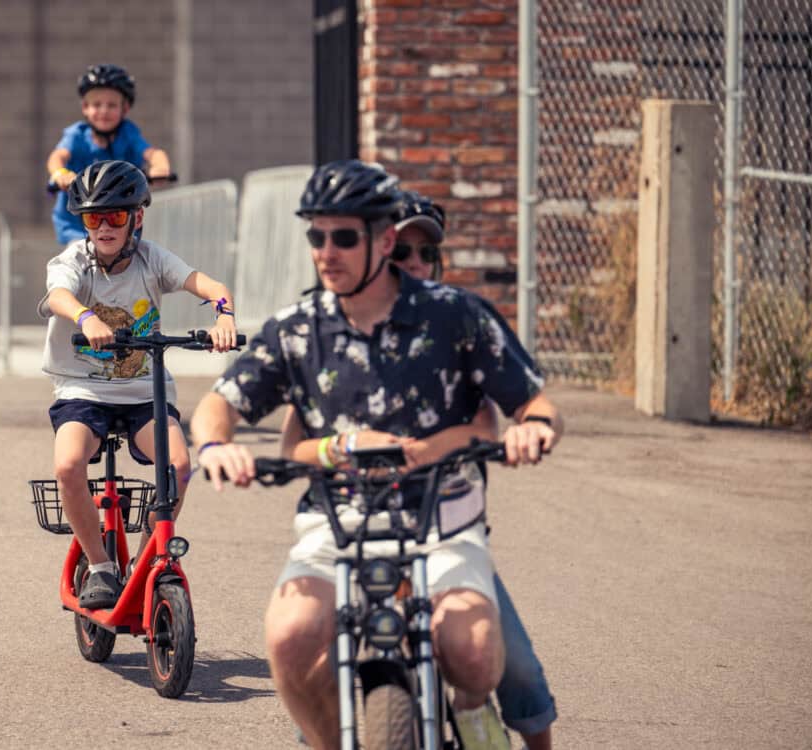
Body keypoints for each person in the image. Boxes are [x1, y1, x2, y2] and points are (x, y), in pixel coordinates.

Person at [190, 159, 563, 750]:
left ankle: (473, 717)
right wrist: (216, 445)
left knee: (471, 648)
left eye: (344, 237)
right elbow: (219, 405)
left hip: (442, 522)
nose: (326, 252)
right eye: (316, 236)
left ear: (384, 240)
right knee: (289, 635)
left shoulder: (454, 315)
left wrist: (532, 430)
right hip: (337, 524)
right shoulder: (296, 329)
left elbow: (534, 405)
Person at [37, 160, 236, 610]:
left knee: (180, 467)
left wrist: (224, 313)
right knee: (69, 466)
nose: (104, 226)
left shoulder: (153, 260)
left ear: (137, 217)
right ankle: (103, 566)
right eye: (93, 217)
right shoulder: (74, 260)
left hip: (146, 390)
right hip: (82, 391)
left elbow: (209, 284)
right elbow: (57, 296)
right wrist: (85, 317)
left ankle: (147, 556)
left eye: (116, 216)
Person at [46, 63, 172, 247]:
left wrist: (160, 167)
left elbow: (154, 153)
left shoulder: (129, 134)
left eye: (112, 105)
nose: (104, 110)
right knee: (79, 259)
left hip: (121, 226)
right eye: (97, 104)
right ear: (85, 107)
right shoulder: (77, 135)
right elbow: (57, 157)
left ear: (125, 108)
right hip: (77, 226)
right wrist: (60, 174)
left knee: (136, 260)